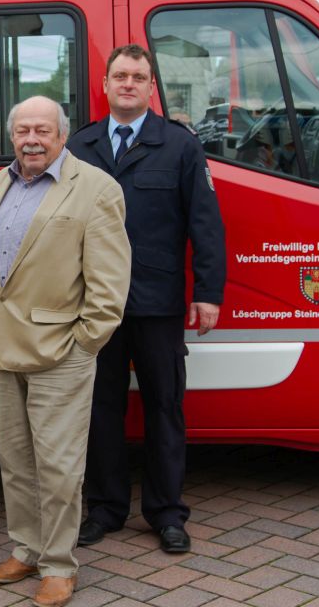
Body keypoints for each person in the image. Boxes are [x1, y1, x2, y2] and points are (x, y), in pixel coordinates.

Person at [0, 96, 130, 607]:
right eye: (23, 130)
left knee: (58, 467)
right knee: (16, 461)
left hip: (62, 352)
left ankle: (59, 565)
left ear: (62, 134)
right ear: (12, 136)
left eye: (42, 130)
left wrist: (85, 343)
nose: (32, 139)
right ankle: (26, 549)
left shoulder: (96, 188)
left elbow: (109, 284)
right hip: (7, 349)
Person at [67, 44, 226, 555]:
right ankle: (106, 508)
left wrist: (207, 293)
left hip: (157, 303)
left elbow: (205, 224)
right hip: (94, 304)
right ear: (106, 85)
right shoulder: (80, 145)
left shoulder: (180, 146)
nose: (129, 83)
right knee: (100, 409)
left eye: (139, 76)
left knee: (164, 408)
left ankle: (166, 513)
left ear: (151, 86)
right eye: (120, 76)